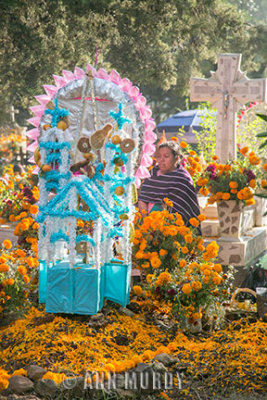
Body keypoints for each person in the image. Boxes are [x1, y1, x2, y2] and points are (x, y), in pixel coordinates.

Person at [138, 140, 201, 229]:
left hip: (170, 227)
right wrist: (146, 223)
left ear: (176, 158)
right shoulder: (152, 173)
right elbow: (142, 198)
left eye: (166, 156)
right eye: (159, 156)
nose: (161, 160)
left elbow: (183, 208)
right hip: (147, 224)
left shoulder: (182, 178)